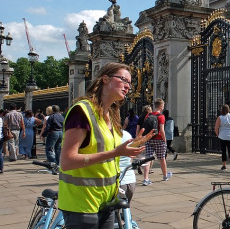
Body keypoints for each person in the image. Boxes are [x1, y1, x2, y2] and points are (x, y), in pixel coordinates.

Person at [58, 62, 151, 229]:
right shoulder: (82, 111)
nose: (128, 86)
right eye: (124, 80)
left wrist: (130, 146)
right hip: (82, 202)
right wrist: (115, 152)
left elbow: (104, 149)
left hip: (107, 200)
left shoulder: (112, 114)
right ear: (105, 79)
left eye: (130, 82)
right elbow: (67, 161)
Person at [141, 99, 171, 186]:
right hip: (159, 139)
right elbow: (161, 130)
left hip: (149, 139)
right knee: (161, 158)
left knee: (148, 158)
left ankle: (146, 178)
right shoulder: (161, 116)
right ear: (161, 106)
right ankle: (165, 176)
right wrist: (164, 139)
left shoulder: (148, 115)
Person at [215, 104, 230, 172]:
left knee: (224, 151)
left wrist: (218, 135)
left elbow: (216, 127)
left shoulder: (220, 118)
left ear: (222, 110)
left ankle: (224, 165)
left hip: (223, 136)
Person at [119, 130, 137, 203]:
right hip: (131, 179)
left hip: (117, 181)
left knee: (114, 211)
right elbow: (131, 157)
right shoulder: (127, 134)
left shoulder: (108, 135)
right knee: (126, 208)